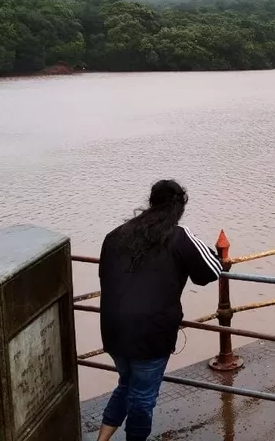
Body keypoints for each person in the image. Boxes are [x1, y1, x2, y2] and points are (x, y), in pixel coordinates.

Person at [96, 179, 223, 441]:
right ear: (179, 208)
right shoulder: (178, 235)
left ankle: (102, 439)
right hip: (151, 332)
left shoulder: (116, 234)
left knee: (127, 383)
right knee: (143, 399)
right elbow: (212, 269)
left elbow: (106, 276)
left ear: (151, 202)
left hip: (112, 328)